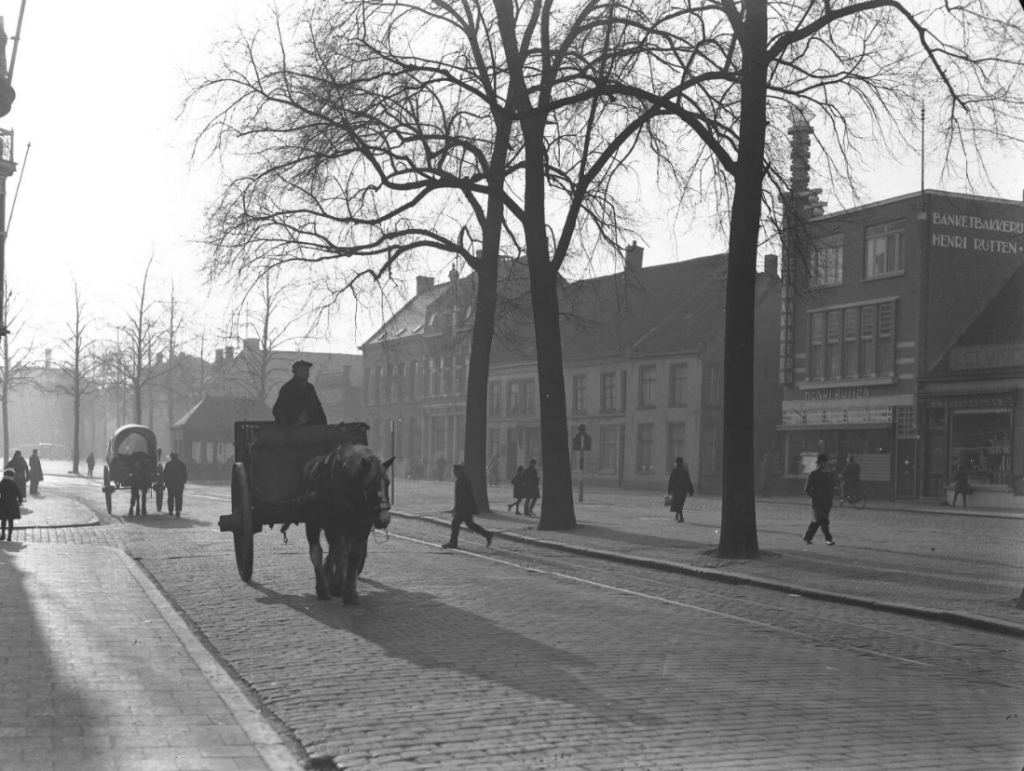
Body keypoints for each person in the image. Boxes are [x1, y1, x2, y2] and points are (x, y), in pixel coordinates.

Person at [441, 464, 493, 549]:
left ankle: (453, 542)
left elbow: (464, 495)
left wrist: (459, 506)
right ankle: (488, 534)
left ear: (459, 471)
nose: (454, 473)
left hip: (464, 507)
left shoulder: (463, 480)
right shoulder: (462, 479)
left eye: (455, 471)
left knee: (455, 523)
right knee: (470, 525)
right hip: (465, 507)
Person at [272, 360, 327, 427]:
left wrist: (324, 424)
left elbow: (318, 407)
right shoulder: (288, 388)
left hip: (311, 428)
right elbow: (278, 409)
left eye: (307, 370)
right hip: (295, 430)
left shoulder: (310, 388)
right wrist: (287, 426)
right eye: (303, 370)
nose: (306, 372)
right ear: (296, 372)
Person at [803, 452, 836, 545]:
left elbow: (832, 488)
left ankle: (807, 537)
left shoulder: (830, 475)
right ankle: (828, 539)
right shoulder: (814, 474)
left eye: (825, 462)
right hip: (817, 503)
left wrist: (831, 498)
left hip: (827, 503)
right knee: (823, 521)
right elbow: (807, 488)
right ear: (819, 464)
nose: (824, 464)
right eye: (822, 463)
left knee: (817, 521)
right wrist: (815, 496)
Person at [667, 457, 695, 522]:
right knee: (680, 503)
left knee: (677, 503)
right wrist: (691, 490)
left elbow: (671, 481)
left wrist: (669, 490)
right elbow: (688, 481)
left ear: (676, 463)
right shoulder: (685, 471)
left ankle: (681, 518)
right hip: (683, 490)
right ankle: (677, 515)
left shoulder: (674, 471)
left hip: (676, 490)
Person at [162, 451, 188, 518]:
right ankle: (178, 511)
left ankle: (170, 511)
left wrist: (166, 482)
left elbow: (165, 474)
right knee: (179, 498)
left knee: (170, 497)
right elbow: (185, 474)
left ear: (171, 457)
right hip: (179, 483)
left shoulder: (168, 464)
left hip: (171, 484)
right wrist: (184, 481)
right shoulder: (182, 464)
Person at [0, 468, 23, 541]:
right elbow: (19, 493)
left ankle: (3, 534)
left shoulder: (2, 483)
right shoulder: (13, 484)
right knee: (10, 520)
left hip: (3, 503)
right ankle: (9, 536)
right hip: (12, 504)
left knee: (3, 520)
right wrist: (20, 500)